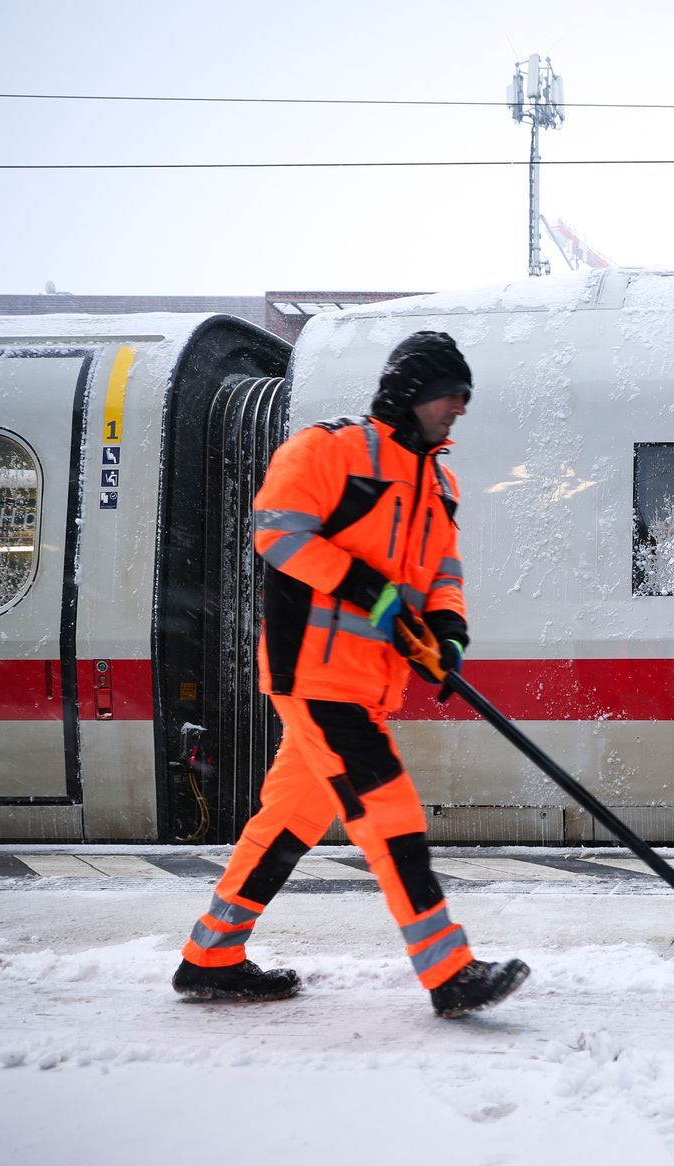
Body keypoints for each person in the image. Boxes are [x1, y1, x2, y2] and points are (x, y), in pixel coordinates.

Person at [172, 331, 530, 1018]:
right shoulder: (330, 450)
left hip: (367, 681)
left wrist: (448, 631)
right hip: (312, 672)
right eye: (448, 397)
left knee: (290, 819)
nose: (458, 410)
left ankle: (211, 955)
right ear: (410, 394)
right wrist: (369, 589)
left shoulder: (438, 481)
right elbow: (278, 534)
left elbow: (441, 574)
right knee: (389, 808)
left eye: (464, 399)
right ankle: (448, 970)